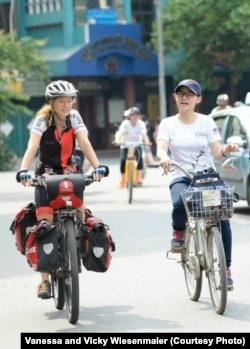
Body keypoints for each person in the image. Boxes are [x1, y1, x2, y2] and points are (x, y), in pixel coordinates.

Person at [16, 80, 109, 299]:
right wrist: (23, 170)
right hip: (45, 177)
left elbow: (84, 143)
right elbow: (32, 145)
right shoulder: (42, 120)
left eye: (69, 101)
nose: (66, 105)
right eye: (61, 101)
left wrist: (97, 167)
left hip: (70, 174)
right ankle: (45, 282)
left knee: (82, 215)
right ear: (52, 102)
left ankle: (76, 247)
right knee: (45, 225)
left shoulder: (75, 118)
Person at [156, 78, 240, 290]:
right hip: (182, 175)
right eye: (181, 94)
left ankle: (226, 269)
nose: (185, 98)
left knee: (222, 216)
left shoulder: (207, 122)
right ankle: (178, 231)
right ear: (175, 97)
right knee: (179, 203)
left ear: (198, 99)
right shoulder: (168, 124)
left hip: (207, 176)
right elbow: (161, 148)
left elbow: (217, 153)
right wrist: (163, 158)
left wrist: (227, 149)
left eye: (189, 94)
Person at [113, 106, 151, 188]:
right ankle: (123, 179)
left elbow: (144, 134)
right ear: (129, 116)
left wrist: (147, 141)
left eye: (137, 115)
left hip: (137, 144)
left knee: (140, 158)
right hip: (125, 144)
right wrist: (117, 140)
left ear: (139, 116)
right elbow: (120, 132)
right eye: (133, 115)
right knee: (123, 160)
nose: (135, 117)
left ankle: (139, 178)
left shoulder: (141, 124)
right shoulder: (125, 123)